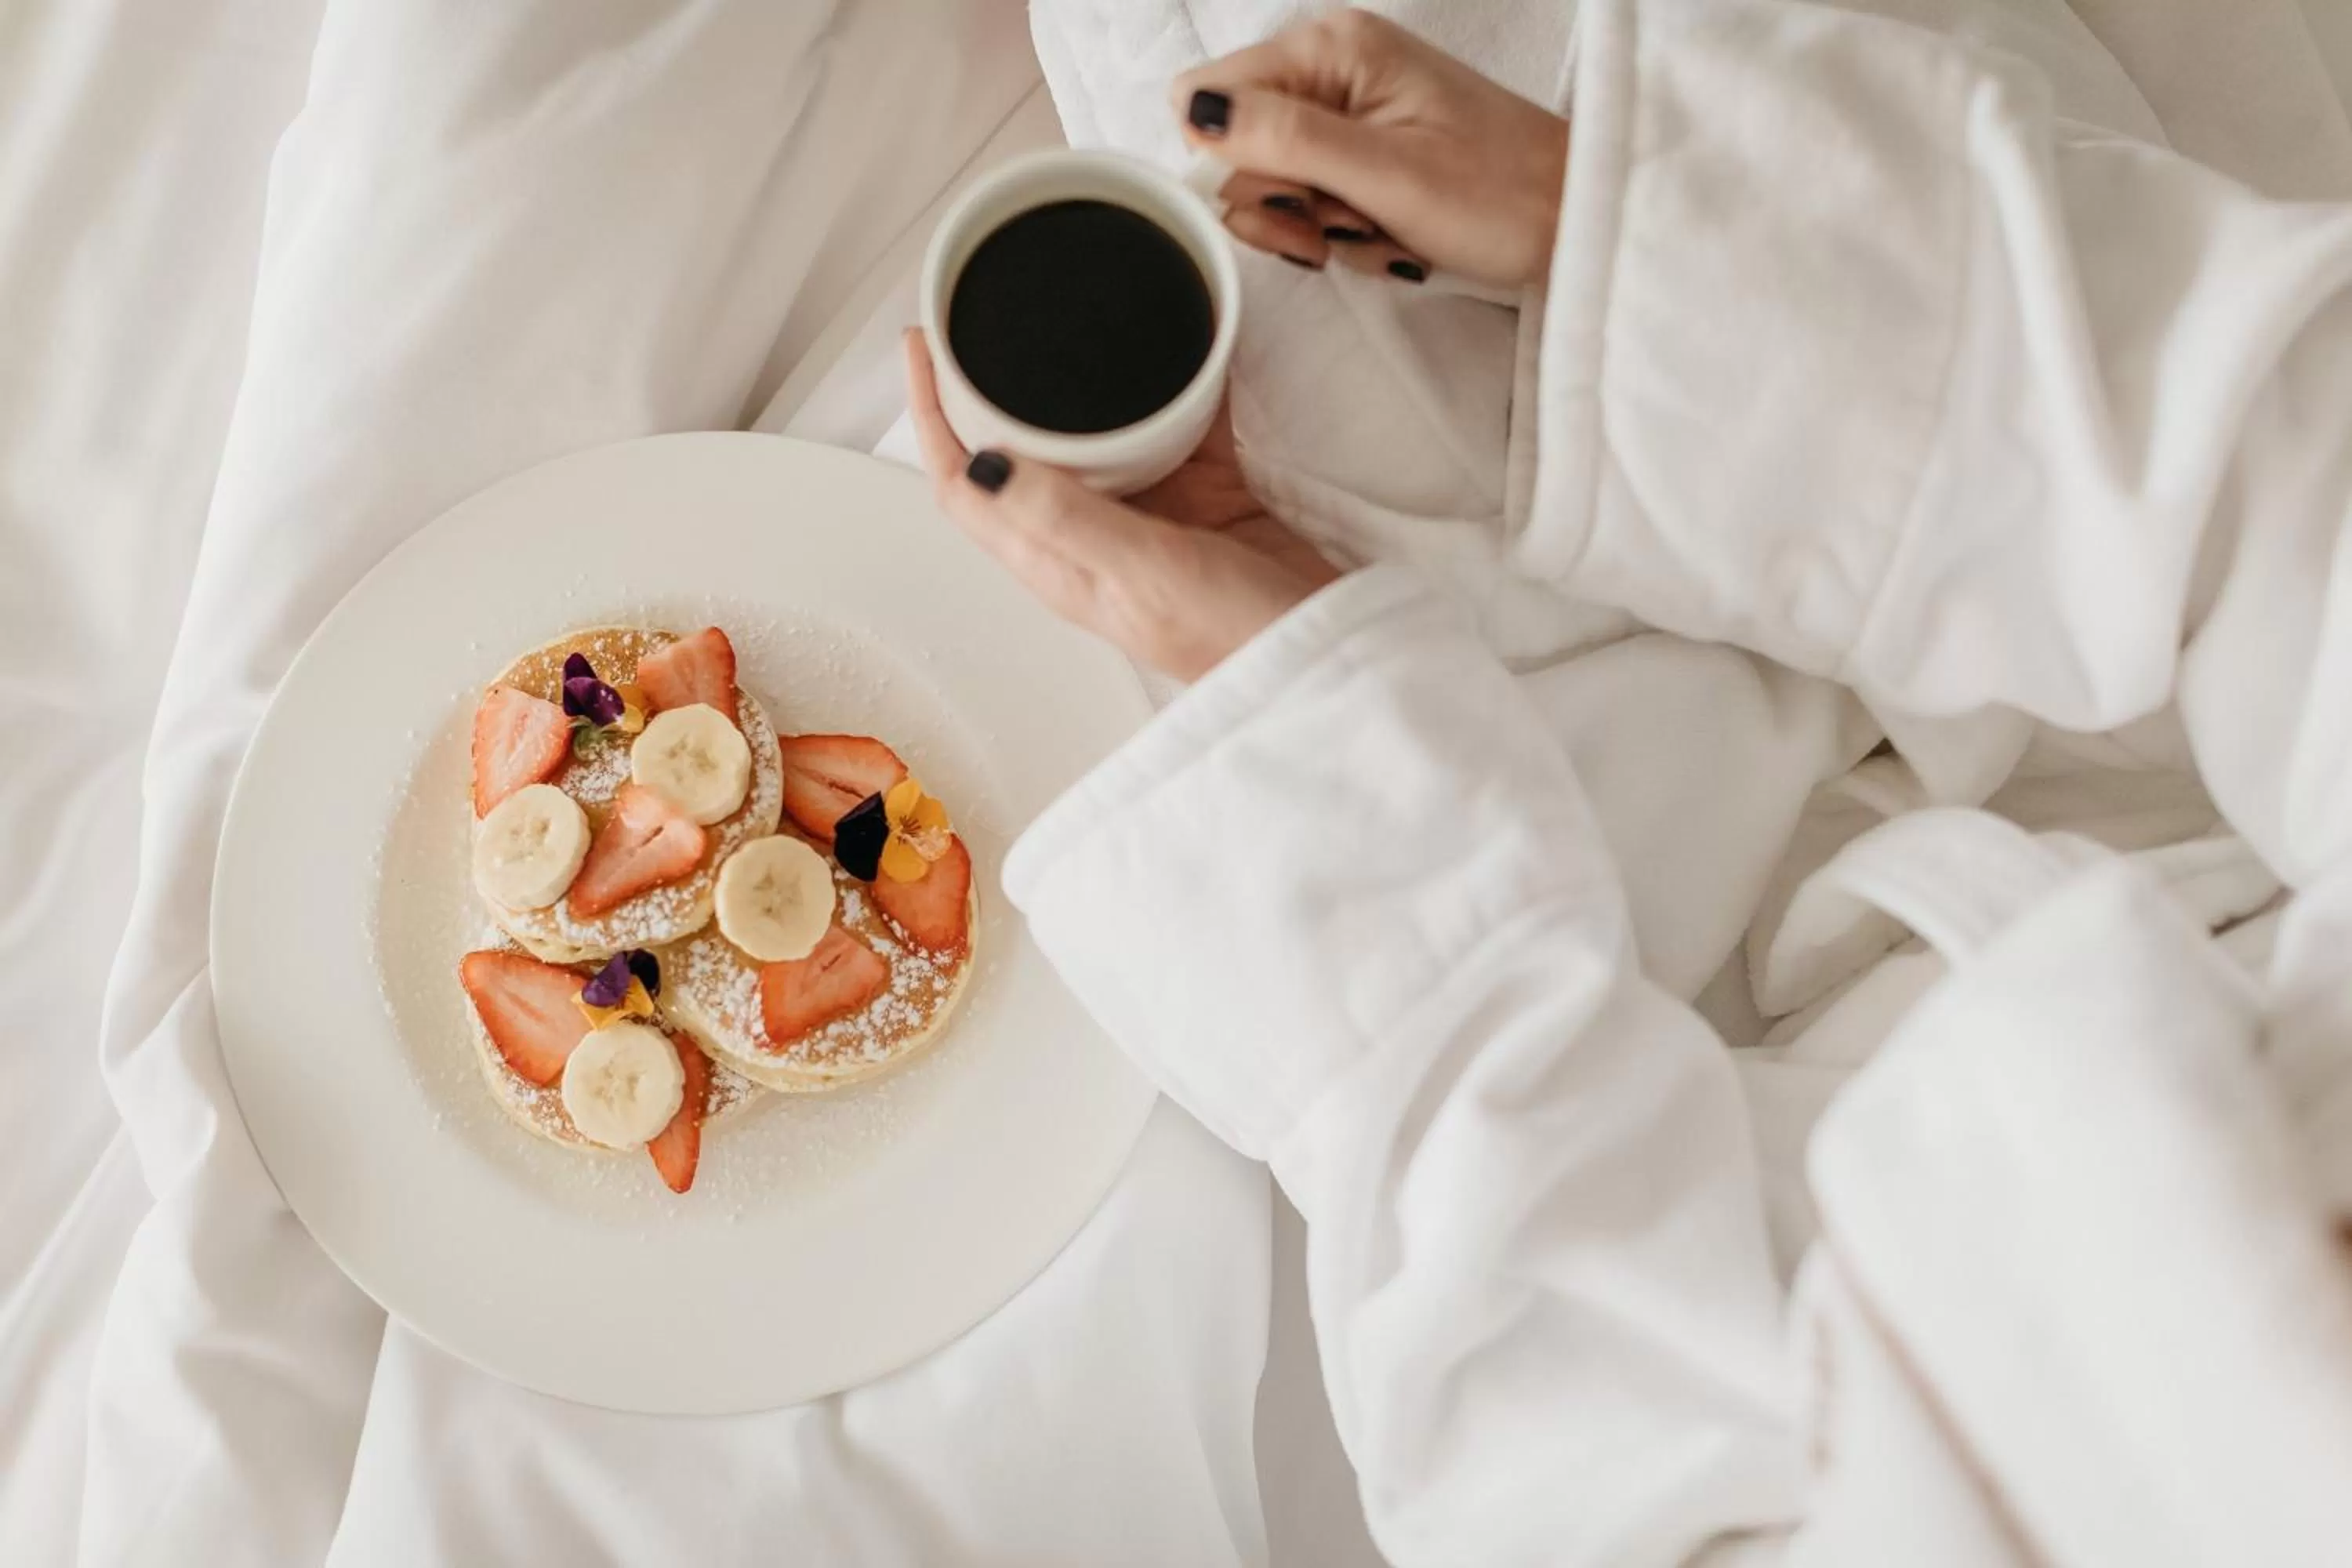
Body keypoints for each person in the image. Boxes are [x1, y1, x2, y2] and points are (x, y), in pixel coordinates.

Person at [907, 5, 2352, 1566]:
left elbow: (1603, 1480)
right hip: (2079, 619)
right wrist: (1649, 244)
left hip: (1562, 1055)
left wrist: (1333, 761)